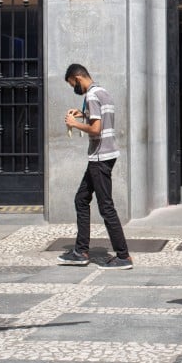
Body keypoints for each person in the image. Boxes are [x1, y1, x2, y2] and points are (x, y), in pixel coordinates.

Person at [59, 64, 134, 268]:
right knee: (81, 199)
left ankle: (123, 256)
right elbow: (101, 119)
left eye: (72, 84)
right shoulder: (103, 92)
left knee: (106, 207)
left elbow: (96, 129)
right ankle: (81, 251)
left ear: (77, 78)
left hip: (100, 157)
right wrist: (82, 115)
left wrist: (74, 124)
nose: (74, 89)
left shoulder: (91, 95)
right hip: (103, 156)